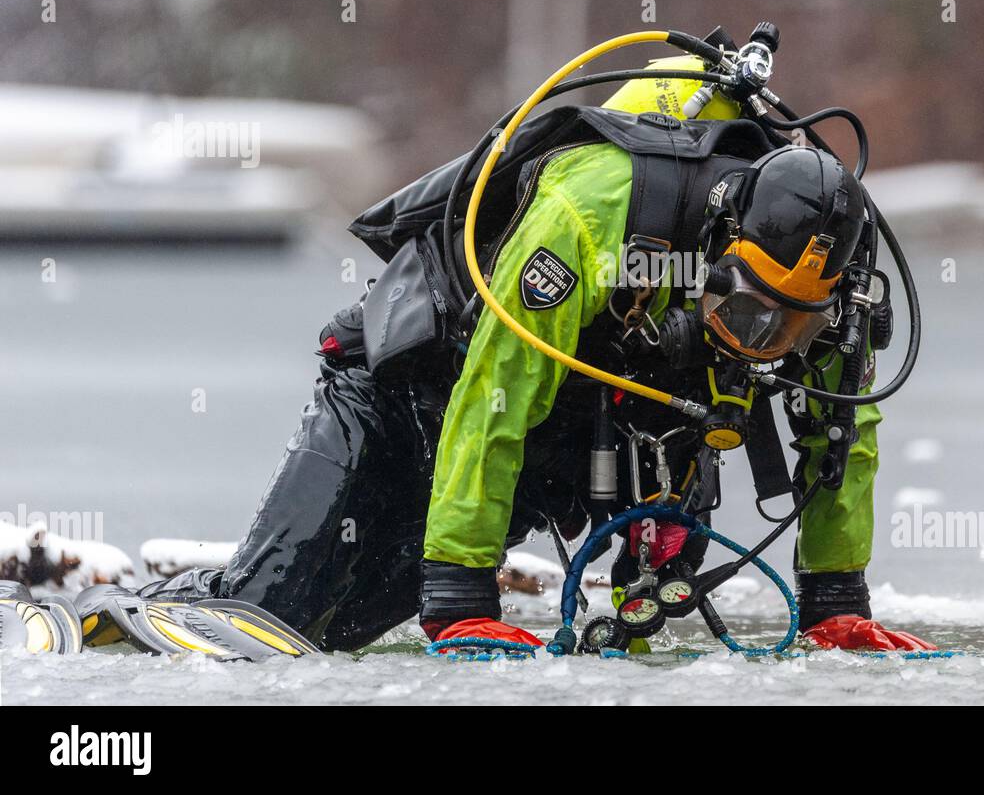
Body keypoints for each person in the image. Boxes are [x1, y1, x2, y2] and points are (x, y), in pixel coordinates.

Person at [127, 59, 934, 655]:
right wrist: (458, 597)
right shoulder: (600, 209)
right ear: (719, 245)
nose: (764, 345)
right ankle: (134, 615)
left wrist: (836, 601)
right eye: (750, 313)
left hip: (536, 446)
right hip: (406, 385)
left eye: (790, 331)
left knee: (338, 635)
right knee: (272, 615)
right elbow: (496, 388)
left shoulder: (839, 295)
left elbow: (842, 441)